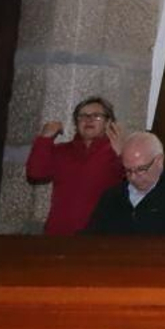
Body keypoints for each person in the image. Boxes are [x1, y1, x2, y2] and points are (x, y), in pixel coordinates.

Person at [24, 96, 125, 235]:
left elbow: (136, 186)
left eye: (96, 116)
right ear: (76, 123)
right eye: (82, 116)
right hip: (59, 235)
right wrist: (45, 139)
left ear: (108, 122)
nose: (88, 120)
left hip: (100, 238)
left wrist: (123, 155)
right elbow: (35, 173)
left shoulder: (118, 152)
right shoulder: (62, 151)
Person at [84, 131, 165, 234]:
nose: (133, 177)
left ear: (159, 160)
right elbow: (93, 235)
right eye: (128, 170)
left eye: (141, 169)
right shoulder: (112, 196)